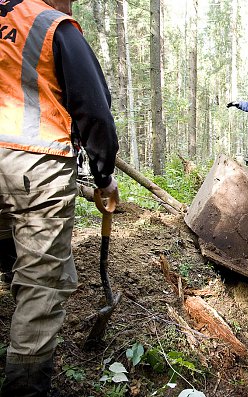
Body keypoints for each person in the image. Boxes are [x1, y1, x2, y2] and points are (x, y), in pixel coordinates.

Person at [0, 0, 119, 395]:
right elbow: (95, 111)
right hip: (33, 167)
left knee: (7, 251)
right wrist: (103, 176)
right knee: (41, 283)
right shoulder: (53, 25)